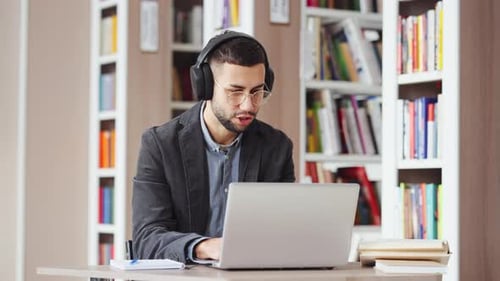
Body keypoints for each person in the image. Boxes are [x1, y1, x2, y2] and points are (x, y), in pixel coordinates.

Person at [132, 31, 295, 264]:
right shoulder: (160, 145)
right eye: (235, 91)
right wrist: (206, 247)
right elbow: (146, 239)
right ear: (205, 86)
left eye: (257, 91)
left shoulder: (276, 147)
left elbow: (283, 229)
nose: (248, 104)